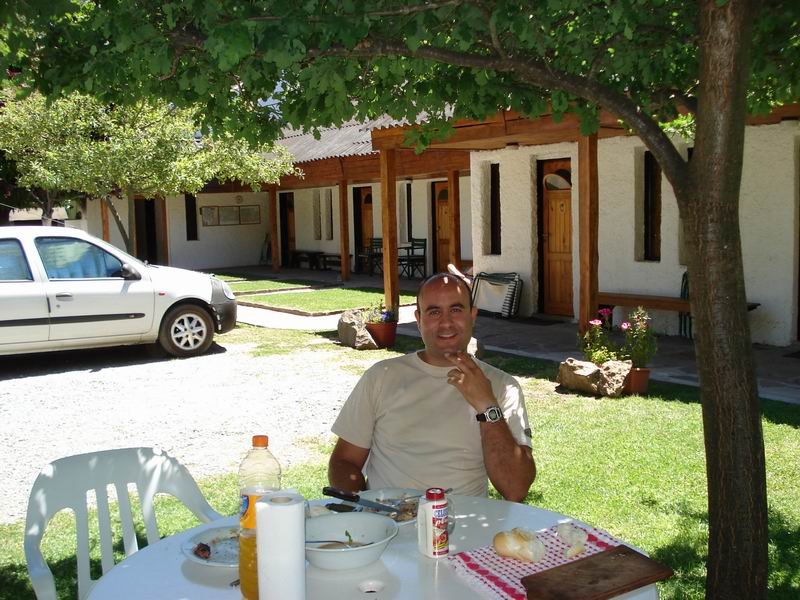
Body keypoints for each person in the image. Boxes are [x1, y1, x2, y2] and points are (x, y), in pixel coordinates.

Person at [328, 273, 536, 502]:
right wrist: (361, 509)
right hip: (390, 522)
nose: (446, 322)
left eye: (456, 309)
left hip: (465, 526)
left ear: (472, 315)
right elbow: (344, 462)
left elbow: (515, 489)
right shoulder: (381, 377)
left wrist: (486, 405)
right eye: (434, 312)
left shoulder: (503, 387)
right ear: (419, 319)